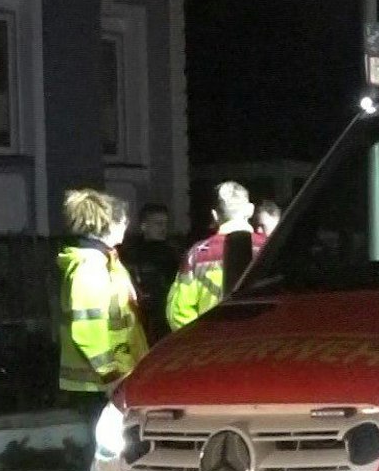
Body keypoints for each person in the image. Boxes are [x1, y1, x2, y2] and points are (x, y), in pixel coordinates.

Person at [57, 189, 148, 430]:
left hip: (111, 375)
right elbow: (88, 328)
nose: (127, 226)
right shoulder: (91, 267)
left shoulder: (105, 261)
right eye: (124, 220)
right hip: (101, 381)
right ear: (111, 223)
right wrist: (111, 374)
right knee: (108, 449)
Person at [166, 181, 267, 332]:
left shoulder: (196, 255)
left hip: (213, 345)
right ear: (250, 210)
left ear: (214, 215)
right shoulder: (269, 248)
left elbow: (178, 311)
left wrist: (201, 337)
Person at [121, 202, 181, 344]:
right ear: (144, 226)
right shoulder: (130, 254)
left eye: (165, 224)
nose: (163, 229)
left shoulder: (174, 253)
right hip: (141, 317)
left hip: (167, 315)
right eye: (158, 224)